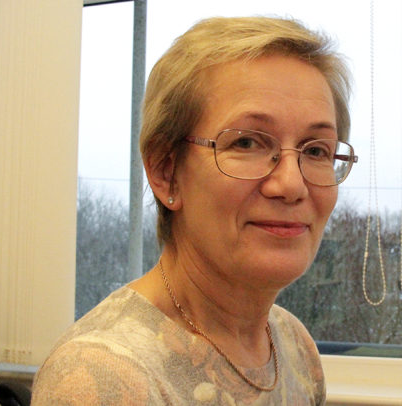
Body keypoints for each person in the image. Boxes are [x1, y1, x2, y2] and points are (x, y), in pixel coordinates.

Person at [32, 16, 357, 405]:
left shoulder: (291, 343)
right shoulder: (104, 377)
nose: (291, 185)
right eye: (247, 143)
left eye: (317, 150)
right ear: (166, 172)